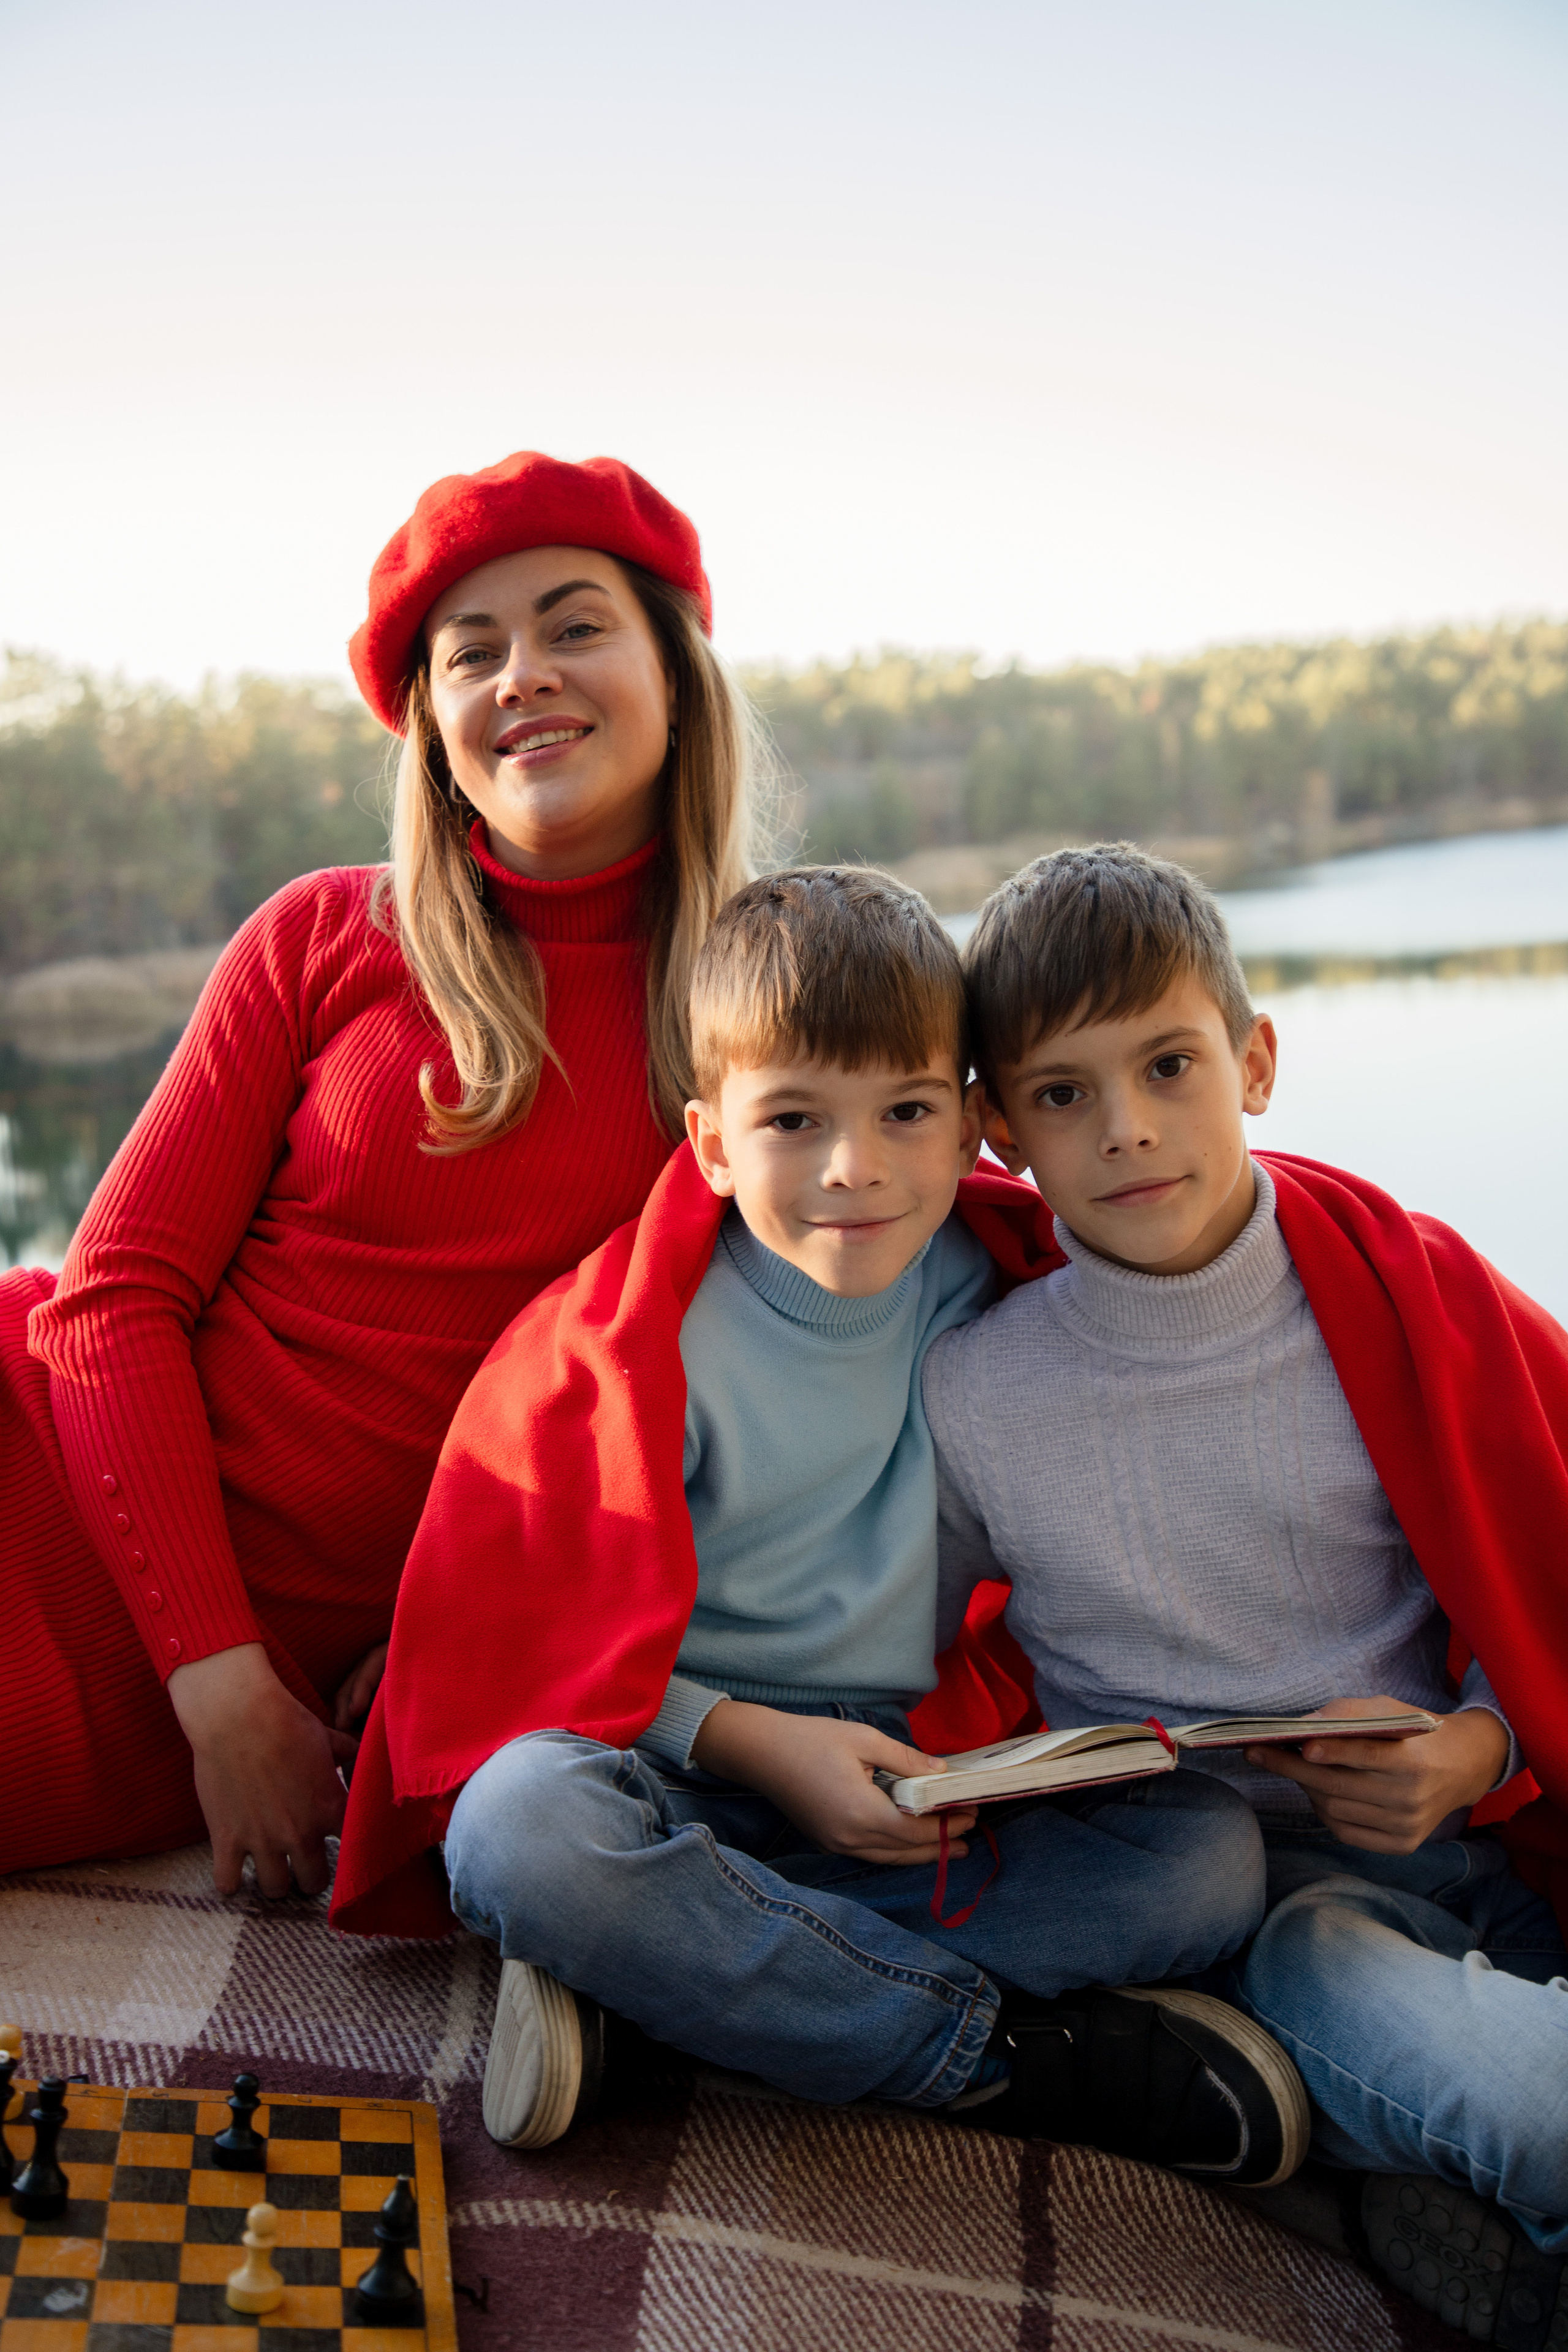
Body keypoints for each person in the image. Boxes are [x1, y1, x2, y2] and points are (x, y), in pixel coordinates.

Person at [332, 867, 1308, 2186]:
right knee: (518, 1833)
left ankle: (665, 1995)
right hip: (666, 1769)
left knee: (1203, 1861)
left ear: (971, 1129)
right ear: (712, 1144)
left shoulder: (999, 1288)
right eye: (794, 1119)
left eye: (905, 1110)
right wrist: (752, 1743)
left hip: (911, 1787)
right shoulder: (625, 1345)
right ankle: (993, 2060)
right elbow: (509, 1651)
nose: (856, 1168)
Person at [1, 450, 763, 1896]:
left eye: (574, 625)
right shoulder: (321, 940)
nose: (521, 674)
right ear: (431, 726)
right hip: (69, 1497)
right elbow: (107, 1306)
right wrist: (220, 1685)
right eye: (471, 653)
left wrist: (454, 1628)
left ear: (675, 674)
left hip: (249, 1695)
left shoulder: (757, 1015)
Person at [923, 841, 1568, 2338]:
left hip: (1471, 1857)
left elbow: (1539, 1557)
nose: (1127, 1130)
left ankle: (1421, 2201)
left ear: (1253, 1062)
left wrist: (1477, 1746)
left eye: (1167, 1066)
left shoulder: (1401, 1293)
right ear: (996, 1130)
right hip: (1254, 1920)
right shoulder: (974, 1392)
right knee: (1537, 2110)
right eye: (1061, 1093)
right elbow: (890, 1649)